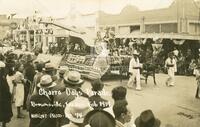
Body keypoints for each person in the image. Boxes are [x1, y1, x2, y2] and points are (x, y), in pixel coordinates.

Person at [0, 61, 13, 127]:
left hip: (3, 97)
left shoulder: (4, 76)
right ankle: (3, 125)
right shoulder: (4, 76)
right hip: (4, 97)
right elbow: (8, 86)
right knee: (4, 112)